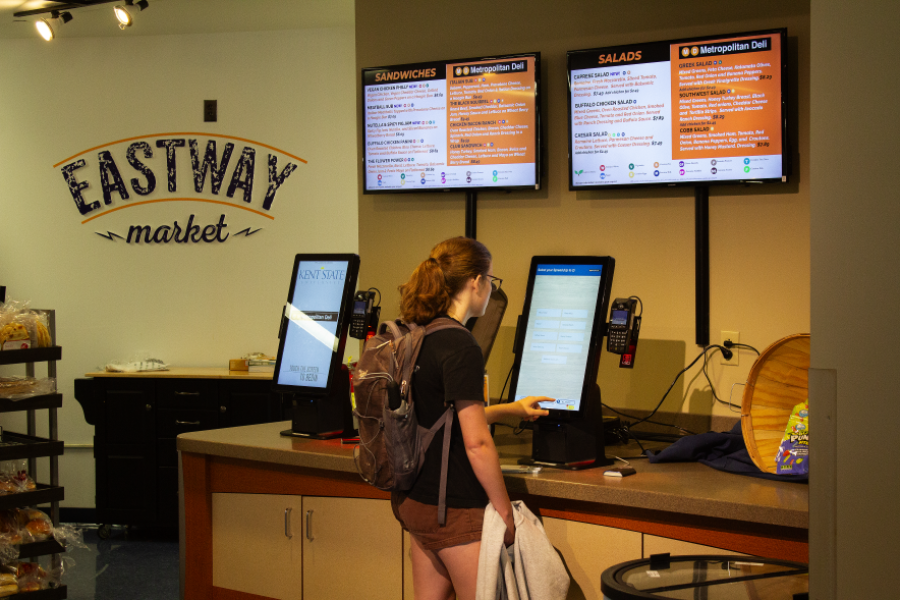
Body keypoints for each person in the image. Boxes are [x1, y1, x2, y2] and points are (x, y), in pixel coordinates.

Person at [391, 236, 551, 600]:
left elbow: (443, 417)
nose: (491, 289)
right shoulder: (462, 344)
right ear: (476, 282)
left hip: (417, 504)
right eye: (491, 280)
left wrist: (510, 409)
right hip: (456, 511)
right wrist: (505, 513)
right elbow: (477, 443)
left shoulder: (418, 334)